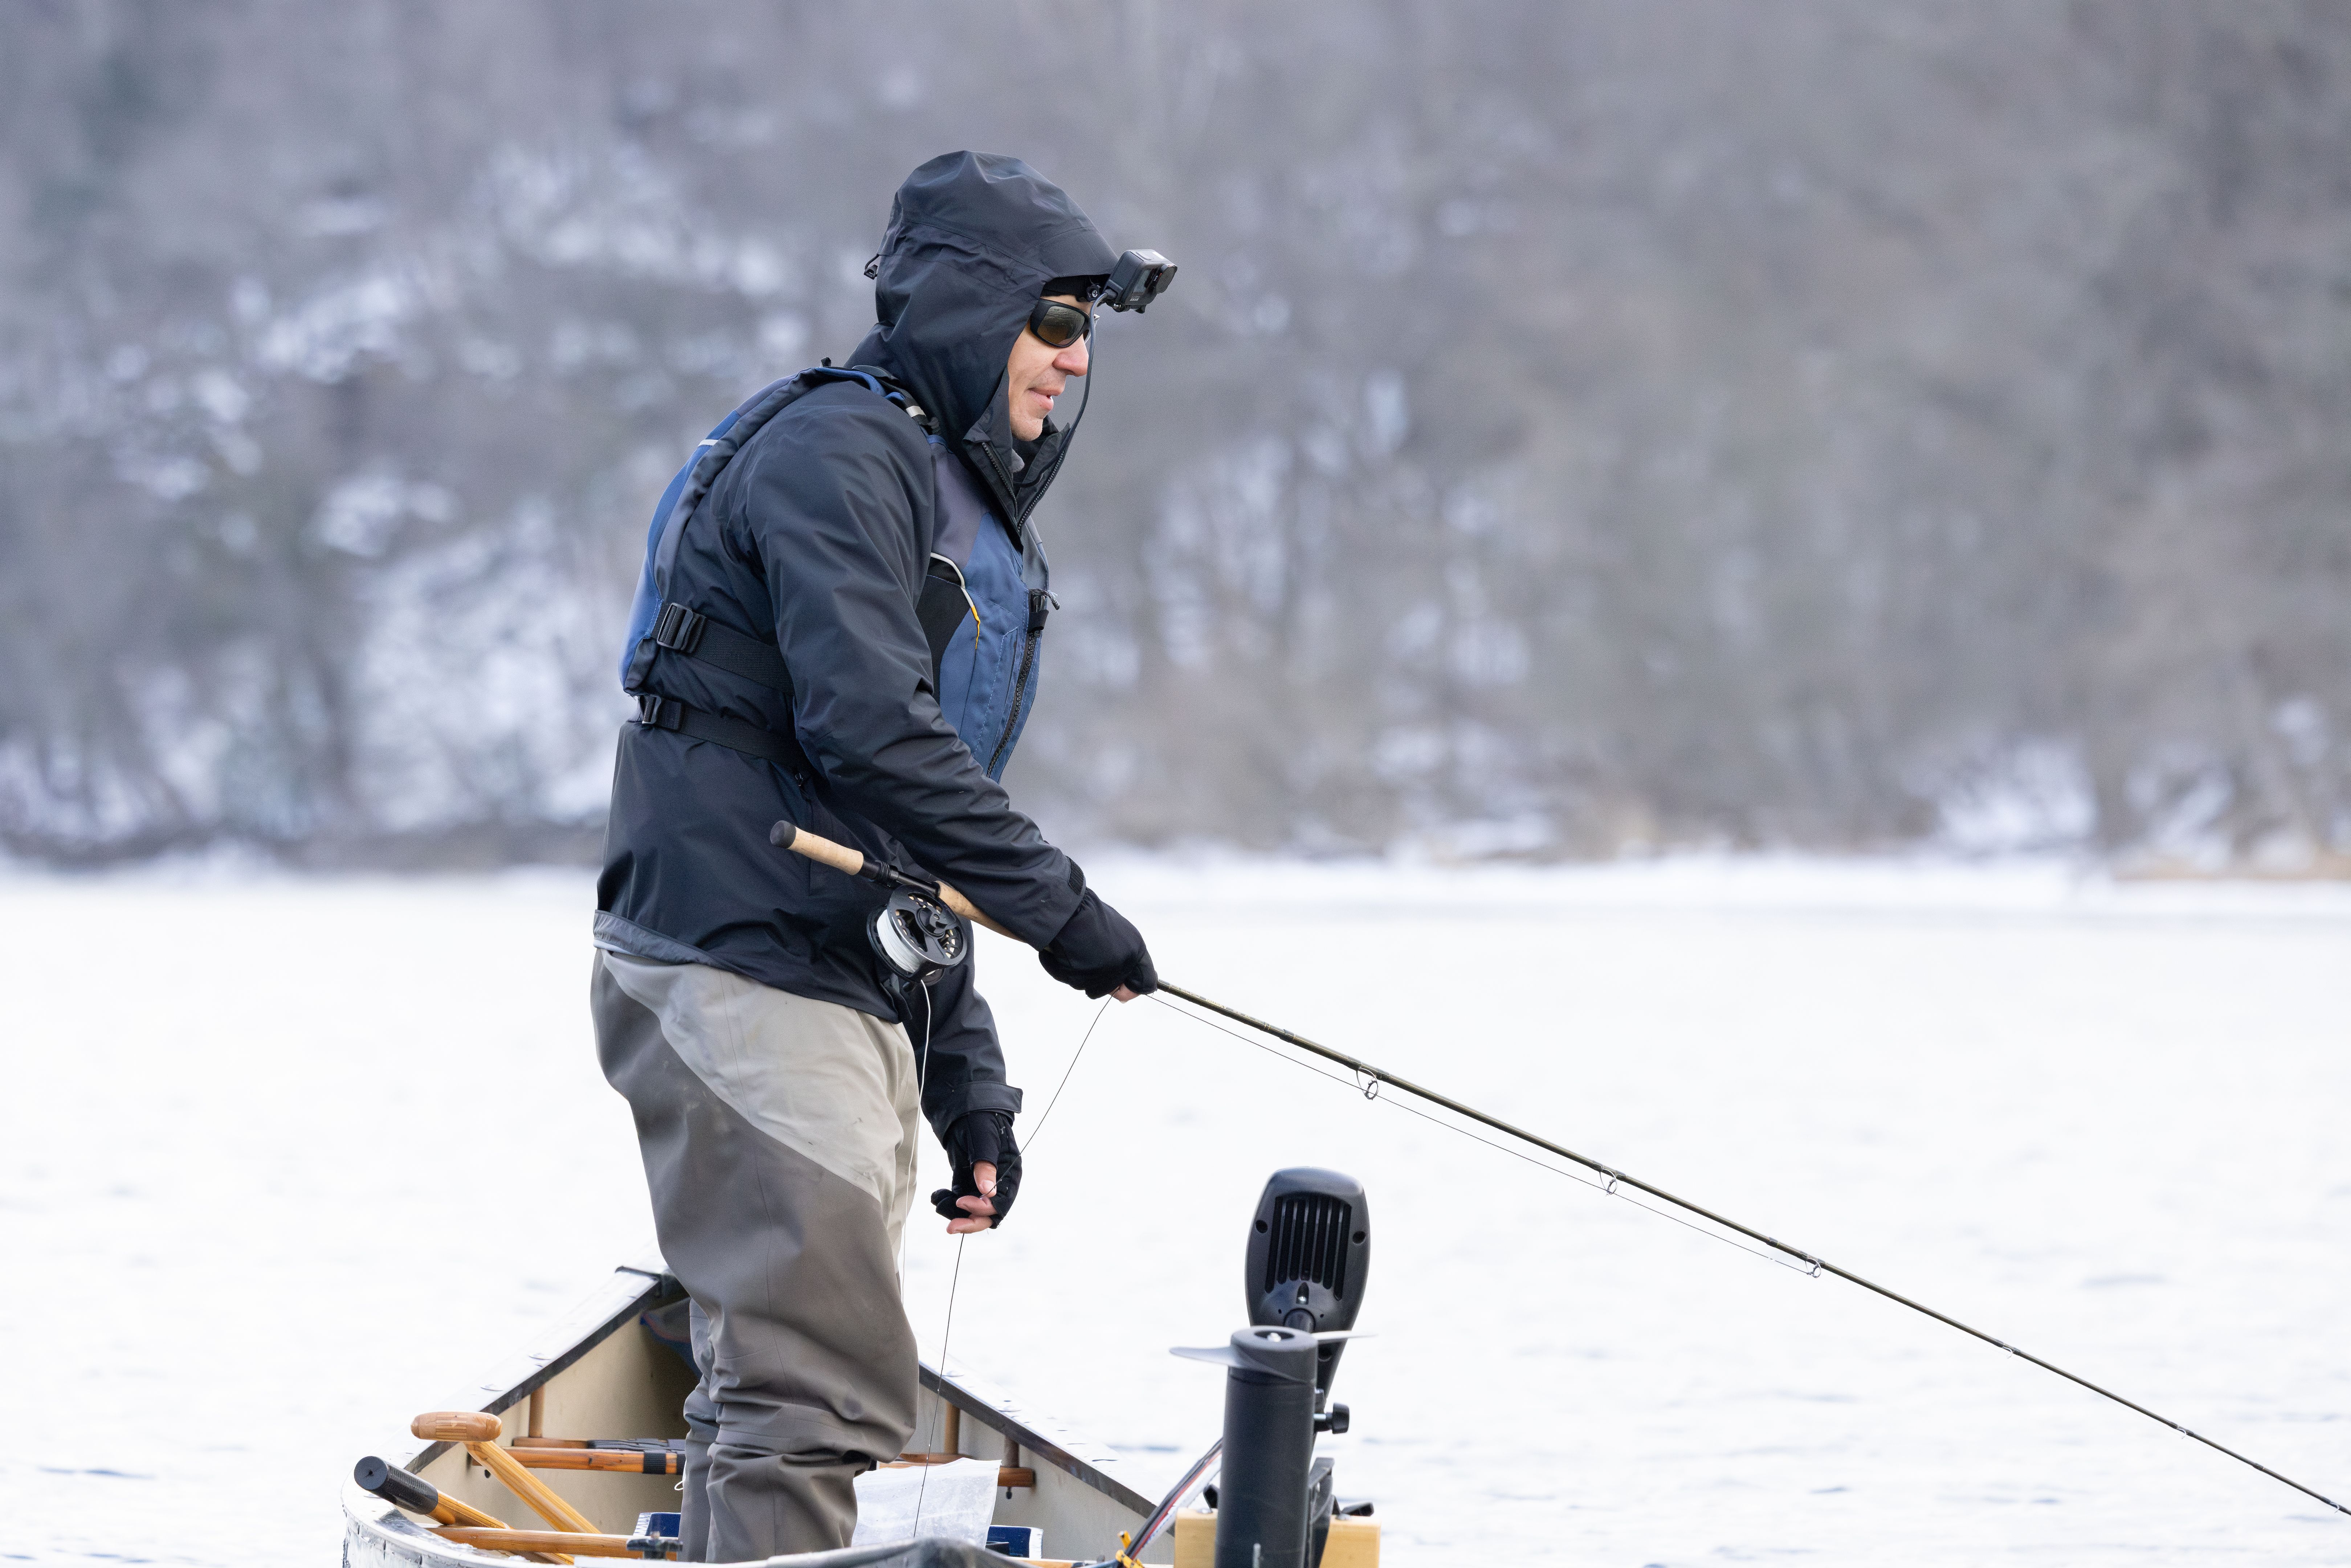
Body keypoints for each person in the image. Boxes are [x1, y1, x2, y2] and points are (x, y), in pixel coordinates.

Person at [590, 151, 1159, 1561]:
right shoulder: (835, 461)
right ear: (974, 313)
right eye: (1058, 322)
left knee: (780, 1381)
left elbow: (903, 830)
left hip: (827, 976)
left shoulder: (930, 487)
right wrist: (1065, 913)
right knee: (825, 1383)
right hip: (739, 961)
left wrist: (969, 1082)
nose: (1071, 365)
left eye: (1086, 331)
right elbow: (869, 731)